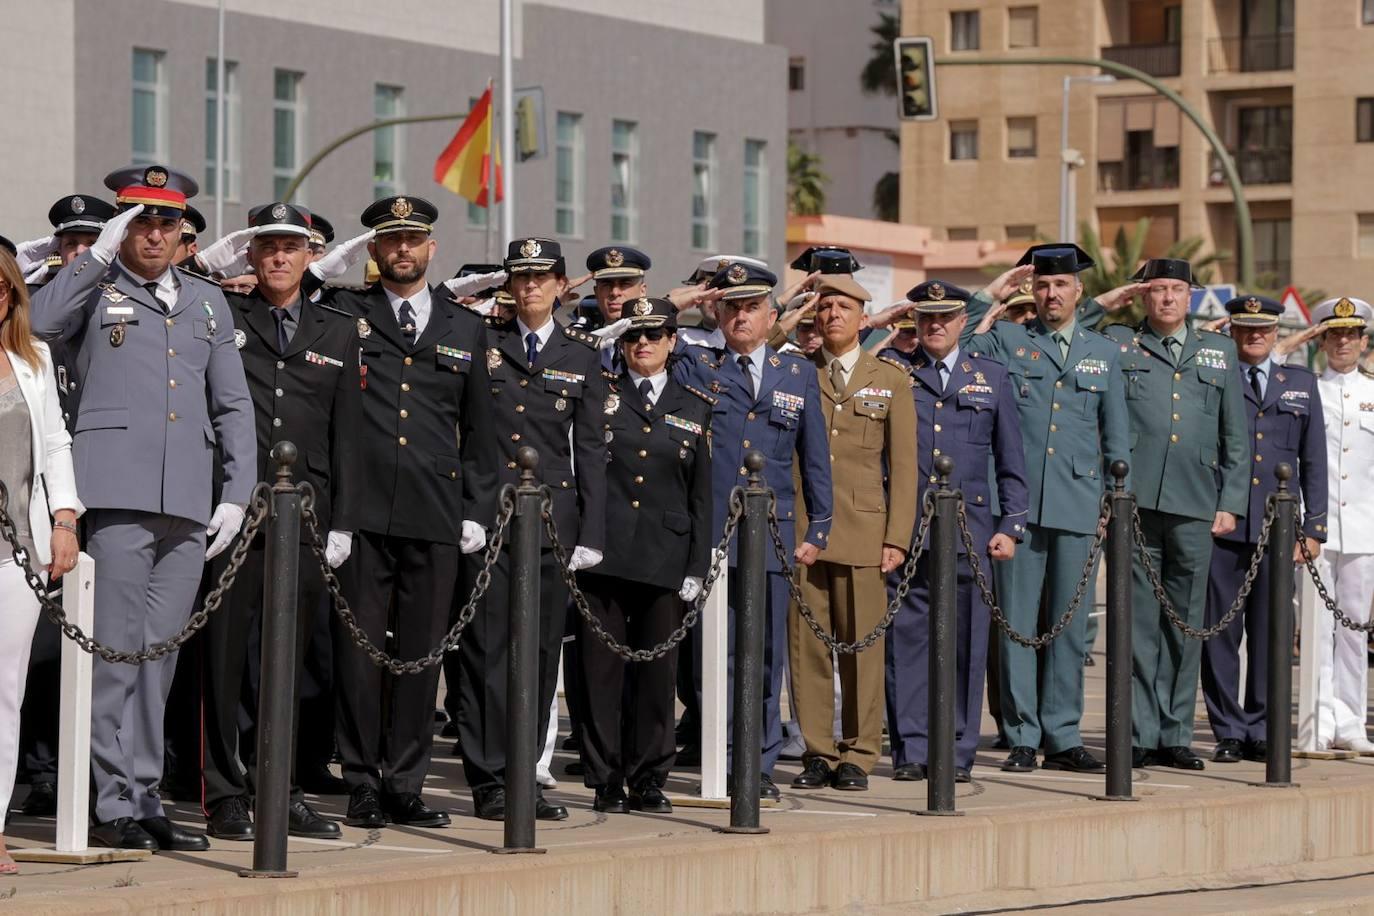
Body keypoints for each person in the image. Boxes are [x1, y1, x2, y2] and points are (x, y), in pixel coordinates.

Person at [29, 165, 256, 851]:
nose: (154, 233)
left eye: (166, 222)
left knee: (159, 662)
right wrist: (97, 253)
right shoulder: (92, 289)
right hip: (118, 495)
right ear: (122, 227)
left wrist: (237, 494)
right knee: (116, 656)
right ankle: (112, 800)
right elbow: (39, 323)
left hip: (187, 502)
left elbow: (233, 403)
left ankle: (145, 793)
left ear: (183, 230)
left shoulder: (207, 304)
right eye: (141, 220)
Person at [322, 196, 496, 829]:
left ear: (431, 249)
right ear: (373, 250)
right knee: (360, 654)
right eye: (389, 240)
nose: (401, 249)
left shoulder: (465, 327)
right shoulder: (346, 313)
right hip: (363, 513)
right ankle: (362, 779)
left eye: (412, 240)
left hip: (435, 513)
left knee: (423, 657)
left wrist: (475, 510)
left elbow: (481, 432)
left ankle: (406, 782)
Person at [198, 202, 360, 840]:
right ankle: (225, 790)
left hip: (307, 521)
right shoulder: (222, 313)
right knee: (225, 661)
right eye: (267, 247)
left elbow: (347, 433)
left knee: (287, 666)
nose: (279, 258)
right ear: (251, 254)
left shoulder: (337, 329)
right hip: (234, 514)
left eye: (291, 247)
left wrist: (342, 520)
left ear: (309, 254)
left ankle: (283, 787)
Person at [963, 247, 1130, 774]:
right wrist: (990, 293)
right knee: (1014, 624)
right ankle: (1020, 734)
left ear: (1079, 291)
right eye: (1041, 286)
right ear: (1030, 292)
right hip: (1018, 507)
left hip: (1079, 505)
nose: (1051, 294)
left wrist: (1113, 499)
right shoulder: (1010, 340)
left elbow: (1117, 436)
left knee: (1067, 624)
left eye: (1060, 284)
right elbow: (958, 340)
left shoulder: (1102, 351)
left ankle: (1062, 734)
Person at [459, 237, 606, 822]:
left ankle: (524, 772)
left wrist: (590, 531)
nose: (530, 287)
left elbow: (590, 449)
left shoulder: (582, 354)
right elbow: (468, 433)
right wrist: (470, 509)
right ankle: (488, 777)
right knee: (487, 652)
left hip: (552, 523)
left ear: (562, 286)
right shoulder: (483, 341)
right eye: (520, 278)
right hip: (492, 521)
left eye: (542, 277)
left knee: (542, 656)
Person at [674, 259, 833, 799]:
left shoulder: (799, 373)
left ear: (771, 315)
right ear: (717, 312)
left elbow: (814, 459)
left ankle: (759, 764)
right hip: (711, 531)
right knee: (709, 653)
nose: (741, 317)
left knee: (764, 655)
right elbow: (631, 342)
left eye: (751, 308)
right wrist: (683, 302)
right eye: (732, 307)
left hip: (773, 533)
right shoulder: (696, 363)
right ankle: (718, 754)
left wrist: (820, 528)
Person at [1088, 258, 1250, 770]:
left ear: (1190, 297)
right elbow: (1069, 334)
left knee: (1184, 623)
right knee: (1136, 623)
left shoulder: (1219, 351)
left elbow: (1235, 439)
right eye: (1157, 290)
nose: (1166, 299)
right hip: (1133, 502)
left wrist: (1231, 503)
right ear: (1142, 295)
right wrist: (1109, 299)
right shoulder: (1117, 343)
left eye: (1176, 290)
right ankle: (1139, 731)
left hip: (1196, 502)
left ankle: (1175, 732)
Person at [881, 281, 1027, 783]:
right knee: (907, 638)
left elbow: (1011, 462)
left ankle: (959, 749)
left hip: (972, 528)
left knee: (967, 640)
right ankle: (913, 748)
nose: (935, 326)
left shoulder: (991, 376)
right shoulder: (895, 371)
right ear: (914, 322)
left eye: (945, 318)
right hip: (908, 528)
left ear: (964, 321)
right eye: (925, 318)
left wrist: (1011, 526)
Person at [576, 296, 713, 813]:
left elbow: (703, 496)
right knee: (600, 674)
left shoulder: (695, 405)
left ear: (673, 342)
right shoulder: (600, 395)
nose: (643, 344)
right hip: (605, 554)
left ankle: (649, 777)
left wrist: (697, 567)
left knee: (656, 678)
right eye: (633, 336)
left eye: (654, 335)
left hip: (666, 557)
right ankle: (606, 776)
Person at [786, 275, 916, 791]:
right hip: (805, 530)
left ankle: (860, 752)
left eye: (844, 306)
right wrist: (791, 312)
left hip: (865, 530)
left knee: (862, 647)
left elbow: (905, 468)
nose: (833, 314)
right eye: (825, 307)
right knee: (809, 649)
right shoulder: (794, 371)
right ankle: (818, 749)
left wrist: (897, 538)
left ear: (866, 318)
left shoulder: (892, 379)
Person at [12, 194, 114, 817]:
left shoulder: (115, 297)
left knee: (99, 641)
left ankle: (90, 768)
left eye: (89, 243)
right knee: (42, 645)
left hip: (101, 486)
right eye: (69, 244)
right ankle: (43, 768)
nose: (79, 253)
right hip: (43, 496)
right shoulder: (39, 304)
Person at [1202, 295, 1326, 763]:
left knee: (1272, 632)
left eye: (1264, 328)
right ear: (1232, 331)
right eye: (1245, 328)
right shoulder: (1214, 377)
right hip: (1225, 524)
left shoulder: (1299, 382)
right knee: (1221, 634)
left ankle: (1261, 727)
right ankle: (1228, 729)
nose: (1255, 335)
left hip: (1278, 527)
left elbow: (1314, 459)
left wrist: (1314, 528)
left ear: (1276, 332)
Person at [0, 250, 83, 874]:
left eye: (1, 288)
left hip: (15, 553)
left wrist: (64, 519)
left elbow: (56, 442)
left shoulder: (34, 359)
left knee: (5, 696)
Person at [1308, 297, 1374, 753]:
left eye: (1351, 334)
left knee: (1354, 629)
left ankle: (1351, 721)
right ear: (1321, 340)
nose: (1343, 342)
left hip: (1365, 526)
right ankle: (1318, 719)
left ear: (1364, 341)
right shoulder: (1307, 389)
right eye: (1334, 334)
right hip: (1317, 528)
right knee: (1315, 628)